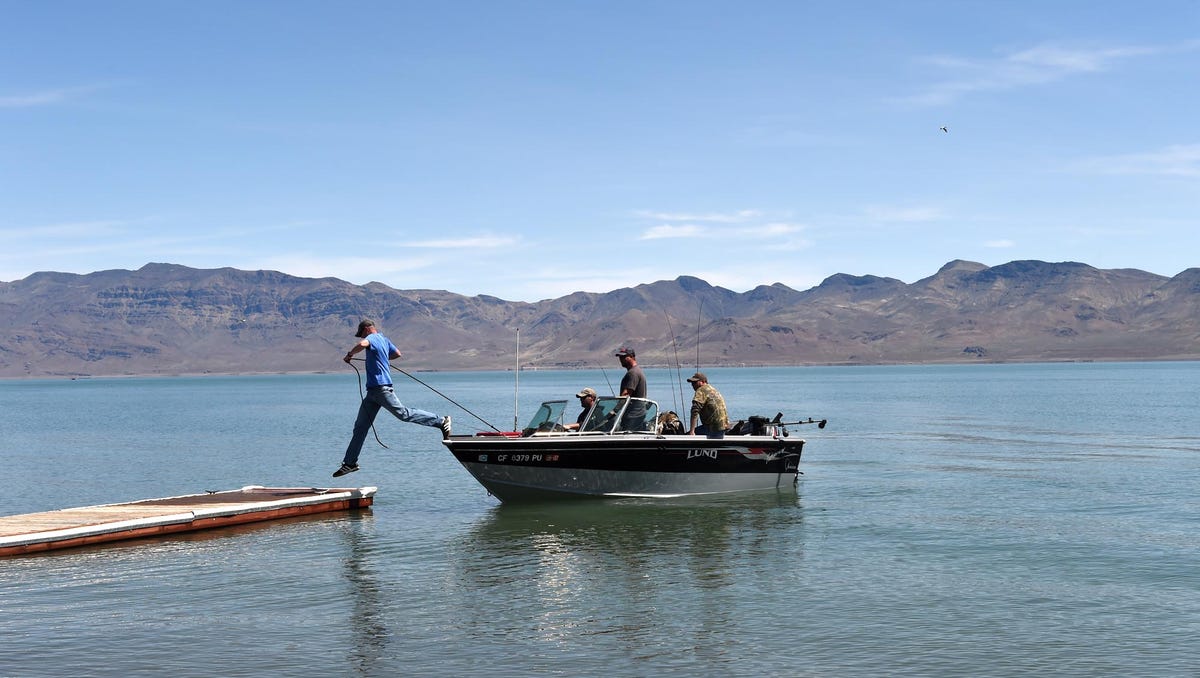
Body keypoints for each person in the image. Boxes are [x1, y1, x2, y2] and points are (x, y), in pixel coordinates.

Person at [334, 318, 452, 477]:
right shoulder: (384, 340)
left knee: (403, 414)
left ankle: (441, 421)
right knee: (360, 427)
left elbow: (362, 345)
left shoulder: (373, 338)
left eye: (362, 334)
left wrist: (349, 355)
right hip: (372, 393)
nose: (362, 338)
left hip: (382, 389)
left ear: (367, 329)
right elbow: (397, 354)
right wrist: (382, 358)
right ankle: (350, 463)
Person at [686, 372, 728, 439]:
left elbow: (695, 411)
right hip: (723, 427)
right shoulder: (713, 390)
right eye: (691, 383)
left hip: (712, 428)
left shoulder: (701, 390)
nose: (692, 385)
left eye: (694, 382)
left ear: (702, 382)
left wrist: (692, 431)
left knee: (686, 436)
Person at [614, 346, 647, 430]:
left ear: (632, 357)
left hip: (633, 415)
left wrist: (614, 411)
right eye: (620, 357)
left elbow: (626, 394)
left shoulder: (633, 373)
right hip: (638, 414)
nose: (621, 359)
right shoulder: (637, 371)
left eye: (624, 357)